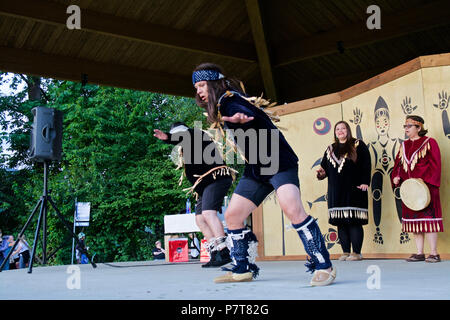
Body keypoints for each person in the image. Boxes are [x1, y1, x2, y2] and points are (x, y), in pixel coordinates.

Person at [192, 63, 335, 286]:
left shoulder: (229, 99)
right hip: (257, 167)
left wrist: (239, 117)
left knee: (292, 208)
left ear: (213, 83)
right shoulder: (225, 103)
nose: (199, 90)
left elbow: (244, 111)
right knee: (233, 216)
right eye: (196, 86)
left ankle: (324, 266)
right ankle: (242, 269)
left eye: (202, 85)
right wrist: (235, 119)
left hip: (277, 160)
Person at [154, 122, 234, 267]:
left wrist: (167, 137)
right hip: (205, 186)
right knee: (200, 219)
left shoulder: (196, 134)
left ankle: (224, 250)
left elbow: (184, 136)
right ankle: (215, 253)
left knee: (208, 213)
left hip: (216, 178)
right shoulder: (188, 147)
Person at [316, 121, 371, 261]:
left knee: (354, 221)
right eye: (337, 129)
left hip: (355, 189)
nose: (340, 131)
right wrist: (321, 173)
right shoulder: (330, 149)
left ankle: (357, 253)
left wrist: (365, 181)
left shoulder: (358, 144)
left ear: (348, 130)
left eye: (343, 128)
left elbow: (366, 164)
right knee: (340, 222)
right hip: (336, 191)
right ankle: (346, 251)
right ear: (335, 132)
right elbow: (324, 170)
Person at [391, 115, 443, 263]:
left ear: (419, 128)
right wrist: (396, 176)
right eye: (405, 126)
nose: (406, 129)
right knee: (415, 222)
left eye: (409, 126)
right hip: (410, 190)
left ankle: (434, 252)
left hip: (427, 188)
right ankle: (420, 252)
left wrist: (425, 180)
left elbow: (436, 164)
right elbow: (398, 165)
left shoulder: (429, 142)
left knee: (429, 221)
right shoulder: (404, 145)